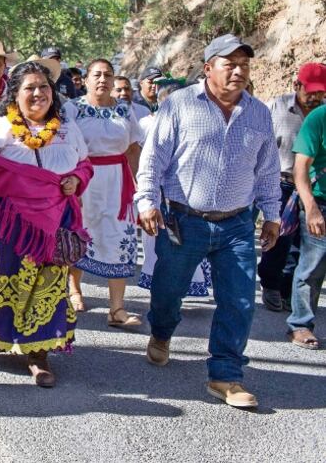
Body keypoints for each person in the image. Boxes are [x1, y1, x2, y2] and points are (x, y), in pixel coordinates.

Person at [136, 34, 280, 408]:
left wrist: (272, 214)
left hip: (237, 225)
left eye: (244, 65)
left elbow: (267, 171)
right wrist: (147, 201)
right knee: (168, 290)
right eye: (229, 64)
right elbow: (152, 160)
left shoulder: (259, 113)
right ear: (208, 68)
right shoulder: (180, 105)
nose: (238, 71)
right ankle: (162, 331)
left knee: (240, 300)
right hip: (183, 221)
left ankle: (225, 375)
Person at [0, 59, 93, 388]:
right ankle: (6, 335)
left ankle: (38, 354)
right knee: (9, 285)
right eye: (30, 88)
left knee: (47, 288)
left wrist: (76, 178)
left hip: (56, 223)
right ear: (15, 94)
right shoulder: (0, 127)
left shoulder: (68, 128)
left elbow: (85, 165)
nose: (38, 93)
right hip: (10, 226)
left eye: (44, 87)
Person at [65, 59, 144, 324]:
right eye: (96, 75)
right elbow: (63, 146)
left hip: (117, 182)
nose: (102, 80)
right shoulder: (72, 108)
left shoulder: (124, 109)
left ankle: (117, 309)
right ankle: (74, 289)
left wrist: (139, 184)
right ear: (86, 79)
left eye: (108, 75)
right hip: (82, 180)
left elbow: (133, 148)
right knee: (78, 234)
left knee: (118, 237)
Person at [260, 63, 326, 312]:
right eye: (311, 91)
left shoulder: (322, 114)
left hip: (312, 187)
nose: (316, 97)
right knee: (278, 240)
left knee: (302, 245)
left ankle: (288, 291)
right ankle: (270, 285)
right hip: (281, 183)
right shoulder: (276, 108)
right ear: (297, 85)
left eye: (321, 92)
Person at [137, 80, 212, 298]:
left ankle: (181, 289)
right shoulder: (148, 124)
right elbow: (146, 162)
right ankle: (166, 296)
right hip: (161, 196)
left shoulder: (198, 124)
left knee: (187, 244)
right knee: (165, 245)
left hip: (191, 198)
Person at [287, 77, 326, 349]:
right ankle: (300, 325)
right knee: (311, 268)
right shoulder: (318, 119)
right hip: (320, 203)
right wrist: (311, 208)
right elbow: (300, 167)